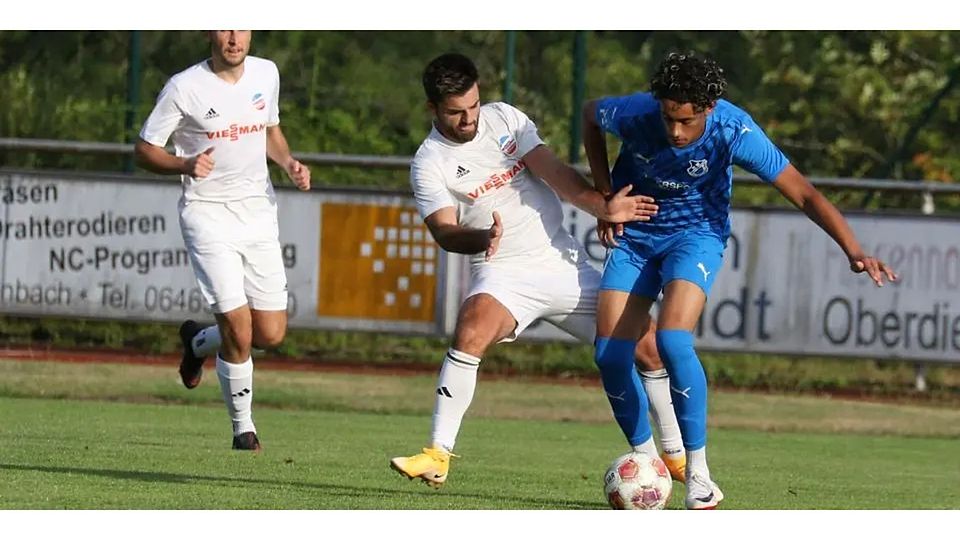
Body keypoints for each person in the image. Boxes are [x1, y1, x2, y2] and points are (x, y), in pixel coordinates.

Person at [582, 51, 898, 509]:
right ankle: (648, 463)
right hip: (636, 237)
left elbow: (804, 192)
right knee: (609, 356)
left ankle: (699, 477)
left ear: (709, 109)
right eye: (669, 118)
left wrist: (855, 251)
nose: (675, 131)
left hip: (696, 237)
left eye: (686, 121)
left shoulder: (735, 130)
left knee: (672, 340)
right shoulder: (635, 113)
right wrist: (605, 194)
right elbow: (589, 115)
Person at [389, 52, 688, 489]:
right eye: (455, 113)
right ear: (431, 108)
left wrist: (604, 207)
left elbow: (557, 174)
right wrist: (483, 238)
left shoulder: (504, 118)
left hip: (560, 260)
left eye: (473, 106)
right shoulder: (429, 162)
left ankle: (676, 456)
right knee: (470, 330)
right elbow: (445, 233)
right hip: (502, 270)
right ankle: (437, 454)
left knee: (648, 344)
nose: (469, 119)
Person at [134, 30, 310, 451]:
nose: (234, 37)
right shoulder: (184, 86)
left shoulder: (267, 73)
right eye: (225, 27)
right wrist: (184, 164)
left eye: (241, 27)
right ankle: (242, 429)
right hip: (208, 214)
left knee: (269, 333)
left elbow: (270, 130)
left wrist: (288, 162)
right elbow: (145, 149)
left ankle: (198, 341)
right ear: (210, 32)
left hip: (258, 213)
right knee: (237, 324)